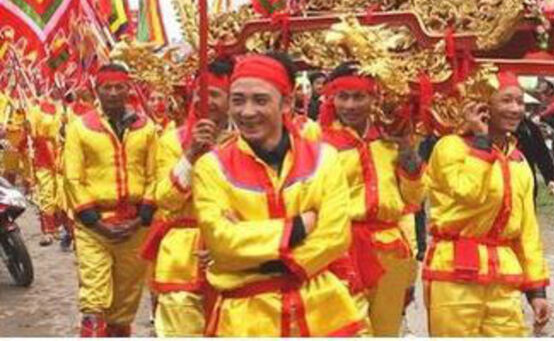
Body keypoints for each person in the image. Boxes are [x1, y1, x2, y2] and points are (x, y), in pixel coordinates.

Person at [192, 52, 362, 337]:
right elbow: (222, 242)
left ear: (286, 102)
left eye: (260, 100)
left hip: (321, 313)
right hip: (246, 319)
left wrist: (259, 256)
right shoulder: (211, 167)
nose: (247, 112)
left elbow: (335, 236)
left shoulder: (324, 158)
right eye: (238, 100)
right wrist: (298, 227)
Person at [423, 69, 551, 336]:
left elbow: (528, 229)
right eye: (506, 101)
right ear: (483, 107)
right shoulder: (450, 147)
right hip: (455, 271)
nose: (516, 109)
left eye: (520, 102)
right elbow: (468, 193)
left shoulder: (518, 160)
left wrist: (536, 290)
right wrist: (482, 142)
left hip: (504, 275)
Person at [317, 63, 424, 337]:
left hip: (391, 250)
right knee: (348, 330)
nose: (350, 105)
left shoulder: (390, 139)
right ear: (331, 98)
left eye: (359, 97)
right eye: (343, 97)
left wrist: (407, 151)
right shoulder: (318, 143)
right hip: (341, 248)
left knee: (387, 331)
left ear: (373, 97)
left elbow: (413, 198)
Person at [63, 63, 158, 337]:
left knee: (125, 304)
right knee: (93, 300)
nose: (114, 93)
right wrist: (96, 223)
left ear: (128, 89)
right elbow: (72, 178)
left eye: (119, 87)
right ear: (97, 90)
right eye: (107, 87)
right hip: (94, 228)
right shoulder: (80, 128)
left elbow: (155, 175)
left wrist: (141, 219)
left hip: (134, 227)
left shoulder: (146, 128)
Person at [144, 58, 234, 337]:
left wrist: (225, 241)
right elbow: (165, 199)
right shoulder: (172, 140)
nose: (204, 101)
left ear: (231, 99)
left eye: (214, 95)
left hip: (233, 251)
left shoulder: (245, 142)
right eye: (199, 93)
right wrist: (191, 154)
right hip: (181, 256)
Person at [27, 95, 62, 246]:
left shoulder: (61, 109)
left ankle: (59, 227)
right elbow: (32, 135)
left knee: (60, 192)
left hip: (61, 155)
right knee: (46, 192)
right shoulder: (35, 110)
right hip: (43, 155)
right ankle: (47, 230)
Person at [514, 113, 554, 201]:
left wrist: (551, 178)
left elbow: (542, 154)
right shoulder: (495, 130)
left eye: (520, 105)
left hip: (528, 185)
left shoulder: (530, 127)